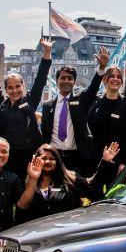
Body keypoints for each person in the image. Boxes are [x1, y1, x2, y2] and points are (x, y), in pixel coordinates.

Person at [0, 35, 52, 177]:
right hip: (7, 156)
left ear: (23, 86)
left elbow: (41, 78)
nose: (15, 90)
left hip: (28, 155)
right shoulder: (2, 103)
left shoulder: (30, 100)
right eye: (10, 88)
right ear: (6, 90)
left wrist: (47, 52)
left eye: (18, 86)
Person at [40, 47, 107, 175]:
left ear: (74, 81)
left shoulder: (82, 101)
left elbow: (92, 90)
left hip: (78, 156)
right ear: (57, 80)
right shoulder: (47, 105)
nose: (66, 81)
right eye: (63, 78)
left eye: (70, 78)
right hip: (55, 156)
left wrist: (101, 68)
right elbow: (44, 132)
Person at [85, 59, 126, 166]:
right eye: (112, 76)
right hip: (93, 160)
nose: (115, 79)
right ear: (104, 80)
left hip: (117, 161)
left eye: (118, 77)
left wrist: (124, 162)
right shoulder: (95, 102)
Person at [15, 144, 84, 223]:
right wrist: (34, 178)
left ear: (57, 162)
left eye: (52, 159)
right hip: (35, 231)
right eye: (43, 158)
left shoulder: (68, 183)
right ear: (36, 160)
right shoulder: (26, 182)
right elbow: (22, 206)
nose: (47, 161)